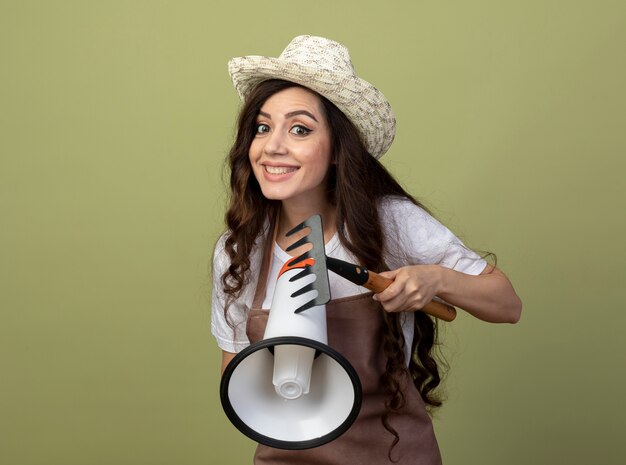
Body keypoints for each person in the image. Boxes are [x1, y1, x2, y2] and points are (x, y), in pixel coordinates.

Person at [211, 35, 522, 464]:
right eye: (263, 127)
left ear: (339, 148)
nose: (273, 146)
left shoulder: (390, 223)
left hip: (392, 451)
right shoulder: (239, 249)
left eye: (299, 129)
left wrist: (436, 279)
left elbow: (508, 306)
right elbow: (235, 374)